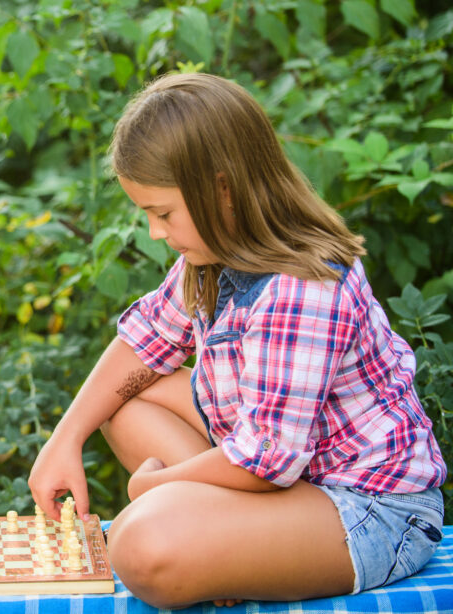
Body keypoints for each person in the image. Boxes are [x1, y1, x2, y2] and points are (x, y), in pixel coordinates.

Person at [28, 72, 446, 608]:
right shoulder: (209, 257)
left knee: (140, 546)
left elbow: (264, 461)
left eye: (163, 213)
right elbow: (144, 342)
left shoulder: (302, 288)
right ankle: (233, 547)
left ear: (222, 189)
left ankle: (227, 547)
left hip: (369, 508)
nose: (157, 232)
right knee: (124, 396)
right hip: (283, 470)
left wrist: (156, 486)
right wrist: (64, 440)